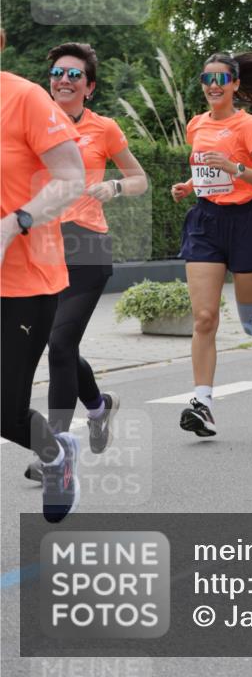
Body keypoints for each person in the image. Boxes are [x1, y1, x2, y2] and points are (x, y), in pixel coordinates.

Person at [24, 43, 148, 483]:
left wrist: (114, 188)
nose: (63, 80)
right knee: (58, 344)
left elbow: (140, 178)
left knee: (59, 345)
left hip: (88, 247)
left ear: (89, 88)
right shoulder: (33, 117)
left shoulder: (104, 128)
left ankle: (54, 451)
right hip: (39, 247)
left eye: (74, 75)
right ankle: (98, 405)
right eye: (57, 72)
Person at [171, 52, 252, 438]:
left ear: (235, 85)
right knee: (205, 317)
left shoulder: (249, 126)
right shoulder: (196, 125)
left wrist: (235, 168)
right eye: (207, 79)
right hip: (205, 222)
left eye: (221, 79)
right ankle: (203, 403)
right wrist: (189, 186)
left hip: (244, 223)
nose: (213, 86)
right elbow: (205, 171)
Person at [1, 30, 85, 521]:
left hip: (24, 283)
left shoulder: (25, 97)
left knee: (6, 412)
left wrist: (16, 222)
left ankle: (55, 455)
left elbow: (71, 178)